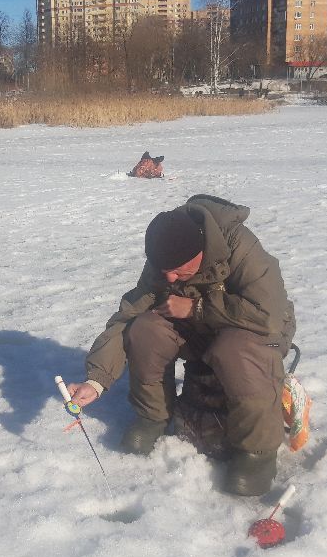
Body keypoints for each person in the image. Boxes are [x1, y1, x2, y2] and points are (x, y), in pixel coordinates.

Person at [65, 195, 296, 496]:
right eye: (164, 271)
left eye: (177, 270)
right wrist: (96, 380)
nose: (170, 277)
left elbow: (269, 314)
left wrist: (197, 309)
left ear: (201, 250)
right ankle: (153, 416)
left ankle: (257, 452)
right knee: (146, 329)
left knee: (234, 350)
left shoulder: (240, 246)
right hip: (200, 331)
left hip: (253, 332)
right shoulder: (165, 256)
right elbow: (127, 317)